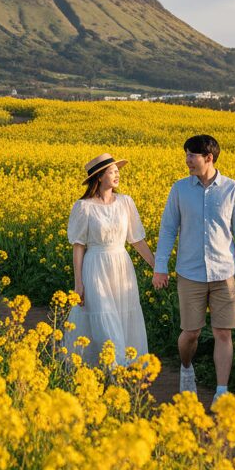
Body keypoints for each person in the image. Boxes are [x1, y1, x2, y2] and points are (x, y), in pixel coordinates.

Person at [151, 134, 235, 408]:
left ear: (209, 158)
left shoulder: (232, 189)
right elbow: (168, 229)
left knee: (223, 333)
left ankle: (221, 390)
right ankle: (186, 368)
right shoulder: (180, 189)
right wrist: (160, 267)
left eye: (191, 155)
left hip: (223, 273)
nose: (187, 160)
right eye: (186, 154)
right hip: (190, 273)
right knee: (191, 333)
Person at [63, 153, 155, 367]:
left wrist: (155, 265)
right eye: (112, 172)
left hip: (121, 267)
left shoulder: (126, 202)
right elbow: (78, 246)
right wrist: (78, 284)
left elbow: (136, 239)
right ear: (99, 177)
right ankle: (114, 368)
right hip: (95, 267)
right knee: (104, 319)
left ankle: (121, 368)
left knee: (122, 317)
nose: (117, 175)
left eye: (117, 171)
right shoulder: (84, 207)